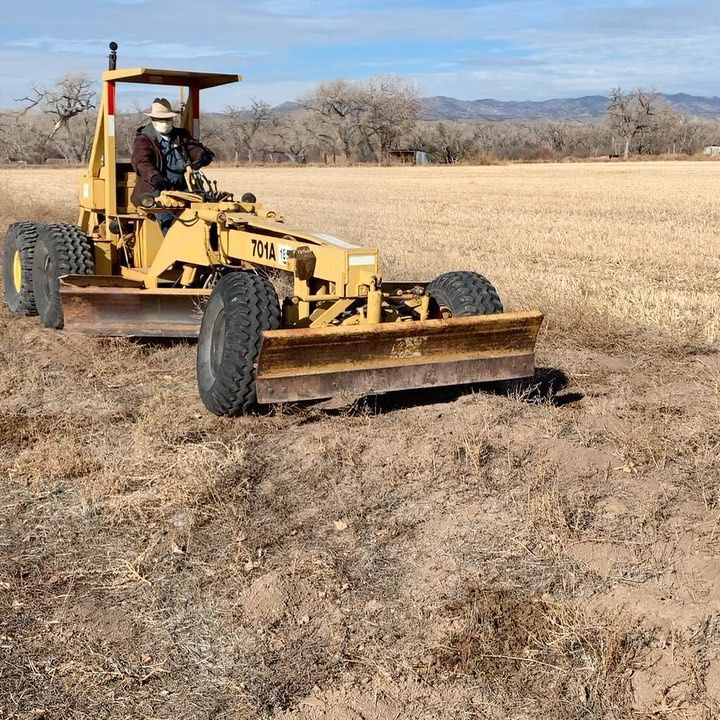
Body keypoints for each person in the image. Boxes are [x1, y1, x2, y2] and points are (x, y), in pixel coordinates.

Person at [131, 98, 214, 233]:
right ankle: (171, 246)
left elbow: (193, 148)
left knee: (206, 211)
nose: (165, 123)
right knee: (168, 219)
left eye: (168, 119)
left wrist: (202, 156)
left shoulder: (181, 135)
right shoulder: (143, 139)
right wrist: (153, 175)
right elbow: (141, 161)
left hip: (184, 186)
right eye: (161, 119)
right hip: (157, 188)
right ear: (153, 120)